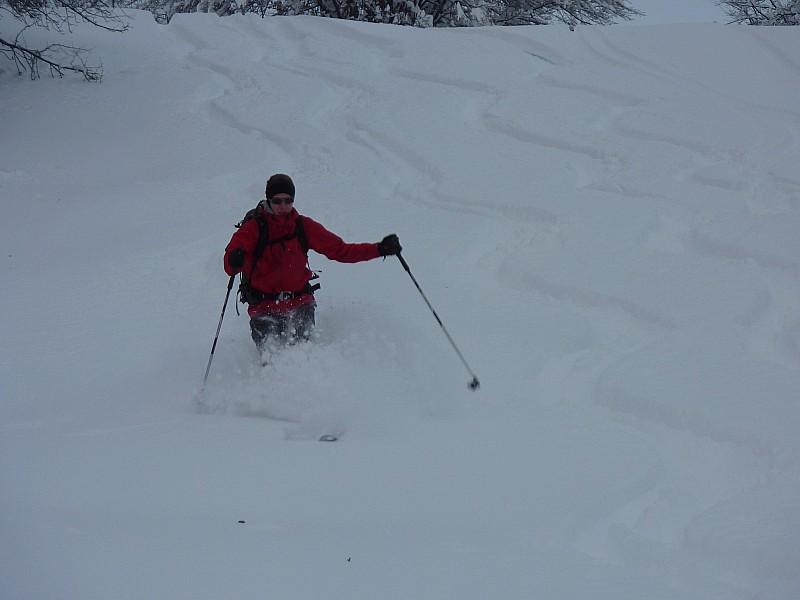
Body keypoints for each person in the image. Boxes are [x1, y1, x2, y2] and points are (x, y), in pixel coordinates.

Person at [224, 173, 401, 356]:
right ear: (268, 200)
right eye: (277, 201)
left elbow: (340, 250)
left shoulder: (302, 226)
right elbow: (230, 263)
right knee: (272, 359)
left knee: (305, 355)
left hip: (300, 302)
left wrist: (379, 249)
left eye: (288, 200)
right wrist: (234, 259)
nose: (283, 206)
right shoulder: (254, 228)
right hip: (263, 307)